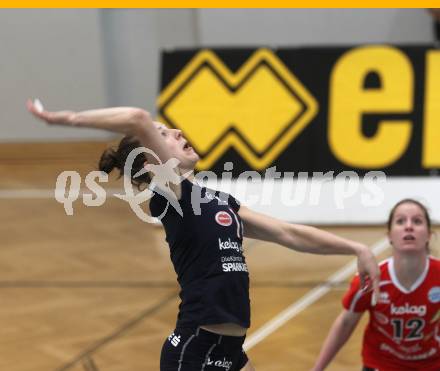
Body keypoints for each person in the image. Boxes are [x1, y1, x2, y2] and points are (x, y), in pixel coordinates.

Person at [27, 100, 380, 371]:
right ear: (151, 163)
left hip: (230, 350)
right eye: (163, 134)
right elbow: (136, 117)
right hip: (195, 348)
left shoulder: (219, 202)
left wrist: (356, 247)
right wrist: (67, 119)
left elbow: (288, 233)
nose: (177, 132)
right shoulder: (171, 193)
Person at [313, 198, 439, 371]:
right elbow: (345, 323)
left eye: (417, 221)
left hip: (431, 364)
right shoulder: (370, 278)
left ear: (429, 236)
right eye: (400, 221)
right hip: (380, 364)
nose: (408, 226)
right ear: (389, 236)